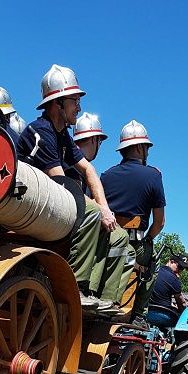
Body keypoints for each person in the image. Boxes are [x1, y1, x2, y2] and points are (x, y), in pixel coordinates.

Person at [17, 65, 117, 311]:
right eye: (75, 100)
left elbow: (89, 170)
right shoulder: (41, 132)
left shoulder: (62, 136)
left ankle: (96, 292)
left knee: (109, 225)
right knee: (92, 214)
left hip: (44, 204)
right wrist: (99, 210)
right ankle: (75, 286)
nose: (79, 107)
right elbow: (62, 185)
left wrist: (105, 207)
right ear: (58, 103)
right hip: (27, 204)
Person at [101, 120, 166, 328]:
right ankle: (138, 315)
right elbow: (160, 223)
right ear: (139, 147)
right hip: (133, 244)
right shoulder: (153, 176)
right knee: (152, 267)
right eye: (146, 147)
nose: (147, 152)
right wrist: (147, 239)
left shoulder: (106, 175)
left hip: (105, 241)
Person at [69, 113, 134, 310]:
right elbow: (72, 192)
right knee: (118, 235)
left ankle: (106, 297)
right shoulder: (72, 164)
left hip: (78, 220)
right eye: (99, 141)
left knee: (128, 251)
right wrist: (101, 211)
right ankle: (90, 290)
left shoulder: (83, 166)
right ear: (94, 140)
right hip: (73, 223)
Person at [146, 253, 188, 328]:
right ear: (171, 261)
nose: (180, 270)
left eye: (182, 269)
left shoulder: (154, 271)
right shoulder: (174, 279)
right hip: (163, 315)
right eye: (179, 267)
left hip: (146, 311)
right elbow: (182, 304)